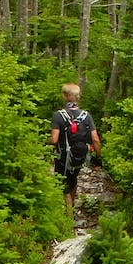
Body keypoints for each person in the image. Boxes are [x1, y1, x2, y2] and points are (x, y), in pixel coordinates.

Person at [49, 82, 101, 211]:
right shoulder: (86, 116)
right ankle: (71, 208)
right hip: (80, 157)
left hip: (63, 157)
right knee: (73, 180)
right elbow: (95, 139)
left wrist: (46, 142)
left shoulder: (58, 115)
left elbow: (54, 139)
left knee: (63, 185)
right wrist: (98, 158)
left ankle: (69, 216)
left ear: (65, 96)